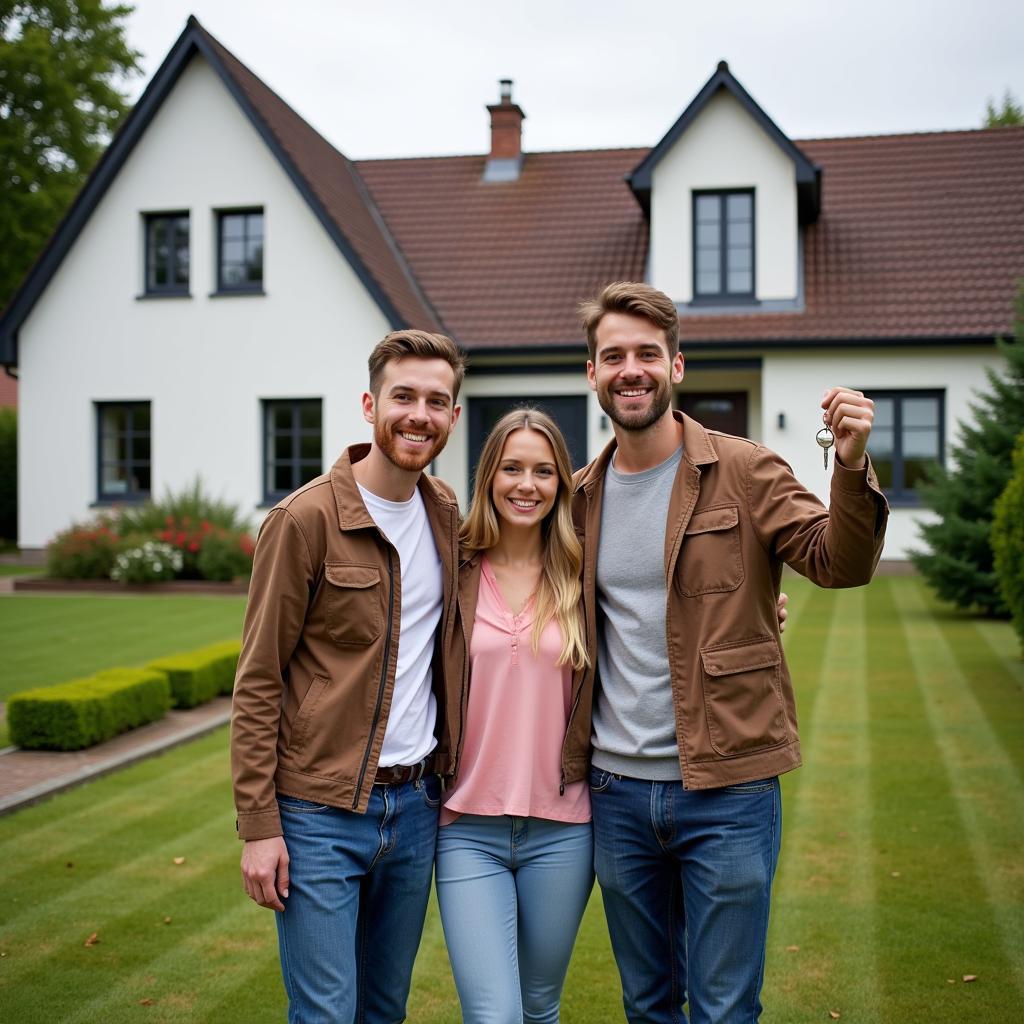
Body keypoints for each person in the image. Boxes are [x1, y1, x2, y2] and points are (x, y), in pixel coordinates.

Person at [569, 281, 889, 1024]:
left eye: (647, 353)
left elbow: (839, 563)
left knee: (723, 1007)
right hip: (615, 793)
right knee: (647, 1004)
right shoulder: (579, 496)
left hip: (729, 790)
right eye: (613, 355)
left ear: (676, 366)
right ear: (592, 374)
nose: (631, 369)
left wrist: (849, 463)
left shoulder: (745, 470)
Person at [230, 329, 466, 1024]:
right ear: (370, 404)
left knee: (383, 1010)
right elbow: (258, 681)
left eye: (436, 400)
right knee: (328, 1012)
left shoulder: (447, 516)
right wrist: (258, 826)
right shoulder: (303, 520)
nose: (419, 413)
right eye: (404, 396)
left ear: (453, 416)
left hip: (417, 807)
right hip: (317, 814)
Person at [434, 408, 595, 1024]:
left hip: (565, 827)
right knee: (494, 1014)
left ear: (561, 484)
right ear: (488, 477)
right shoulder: (455, 568)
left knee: (539, 1006)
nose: (526, 485)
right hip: (467, 828)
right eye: (512, 468)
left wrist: (759, 619)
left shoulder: (584, 575)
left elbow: (661, 621)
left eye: (543, 471)